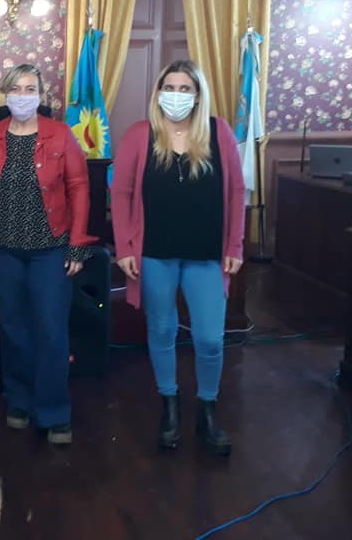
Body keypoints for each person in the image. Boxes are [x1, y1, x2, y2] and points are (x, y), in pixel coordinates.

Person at [110, 59, 245, 456]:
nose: (176, 95)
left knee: (210, 338)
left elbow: (237, 191)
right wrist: (124, 248)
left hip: (207, 254)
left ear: (198, 96)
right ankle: (169, 405)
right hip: (154, 253)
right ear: (158, 93)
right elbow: (121, 194)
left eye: (186, 89)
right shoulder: (140, 135)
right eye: (170, 87)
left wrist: (235, 246)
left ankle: (207, 410)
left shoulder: (219, 132)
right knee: (162, 331)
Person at [0, 63, 93, 446]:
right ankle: (19, 401)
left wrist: (77, 243)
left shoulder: (60, 134)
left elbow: (79, 187)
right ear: (5, 94)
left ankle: (54, 412)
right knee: (13, 328)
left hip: (50, 250)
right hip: (2, 249)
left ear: (40, 95)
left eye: (30, 89)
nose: (22, 96)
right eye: (16, 89)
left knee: (51, 330)